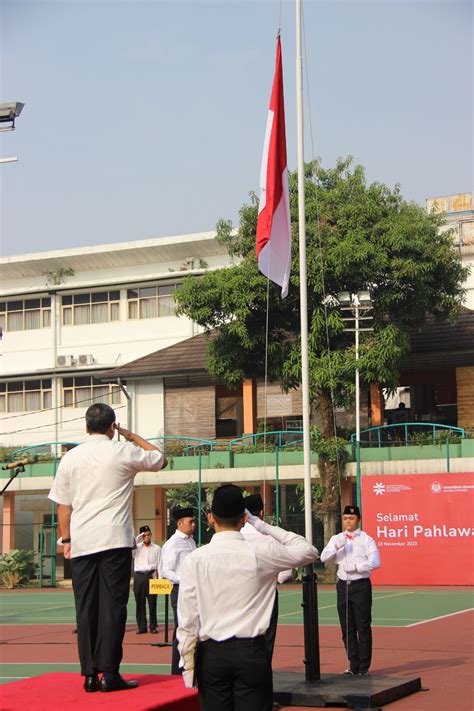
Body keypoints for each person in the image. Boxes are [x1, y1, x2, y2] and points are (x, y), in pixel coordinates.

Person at [49, 403, 167, 693]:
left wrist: (67, 541)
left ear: (86, 426)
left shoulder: (70, 458)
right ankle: (110, 673)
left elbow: (64, 507)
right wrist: (130, 435)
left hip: (82, 542)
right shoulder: (123, 450)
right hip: (114, 541)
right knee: (113, 608)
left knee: (86, 608)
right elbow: (160, 459)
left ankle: (89, 674)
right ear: (112, 426)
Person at [177, 484, 319, 711]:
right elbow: (308, 550)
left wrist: (187, 665)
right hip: (251, 653)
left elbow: (187, 619)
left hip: (212, 655)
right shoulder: (262, 553)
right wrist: (261, 525)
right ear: (244, 518)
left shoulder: (195, 559)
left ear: (211, 518)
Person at [320, 504, 381, 676]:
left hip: (360, 584)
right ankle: (352, 665)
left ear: (358, 520)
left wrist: (355, 567)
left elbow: (375, 561)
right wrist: (336, 547)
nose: (348, 521)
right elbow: (324, 557)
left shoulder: (366, 539)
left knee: (362, 626)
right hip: (343, 586)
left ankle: (363, 667)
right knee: (346, 627)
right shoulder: (337, 538)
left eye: (352, 518)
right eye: (346, 518)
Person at [240, 493, 292, 662]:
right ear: (261, 513)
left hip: (240, 592)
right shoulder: (269, 536)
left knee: (242, 635)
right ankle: (263, 673)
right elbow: (286, 572)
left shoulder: (237, 535)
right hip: (267, 591)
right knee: (266, 638)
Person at [160, 507, 197, 675]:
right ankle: (176, 670)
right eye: (190, 522)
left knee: (193, 628)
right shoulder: (172, 544)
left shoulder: (191, 541)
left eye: (194, 521)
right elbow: (166, 571)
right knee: (180, 630)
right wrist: (185, 579)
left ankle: (190, 667)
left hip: (193, 589)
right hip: (180, 590)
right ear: (180, 524)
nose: (194, 524)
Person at [133, 524, 161, 635]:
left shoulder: (157, 548)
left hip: (151, 575)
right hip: (139, 576)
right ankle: (141, 627)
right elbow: (131, 552)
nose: (147, 537)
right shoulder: (137, 548)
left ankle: (153, 626)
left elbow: (160, 564)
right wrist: (137, 539)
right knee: (139, 603)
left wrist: (160, 579)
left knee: (152, 602)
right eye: (144, 535)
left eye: (148, 535)